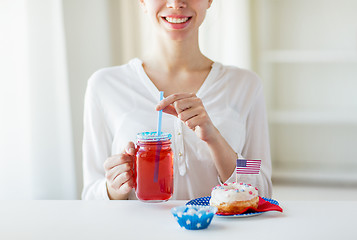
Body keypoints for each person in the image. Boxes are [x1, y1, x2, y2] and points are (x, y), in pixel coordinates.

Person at [82, 0, 272, 200]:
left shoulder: (245, 85)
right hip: (138, 232)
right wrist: (113, 187)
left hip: (222, 231)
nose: (176, 3)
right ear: (143, 2)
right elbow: (91, 194)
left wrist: (215, 139)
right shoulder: (105, 85)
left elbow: (262, 183)